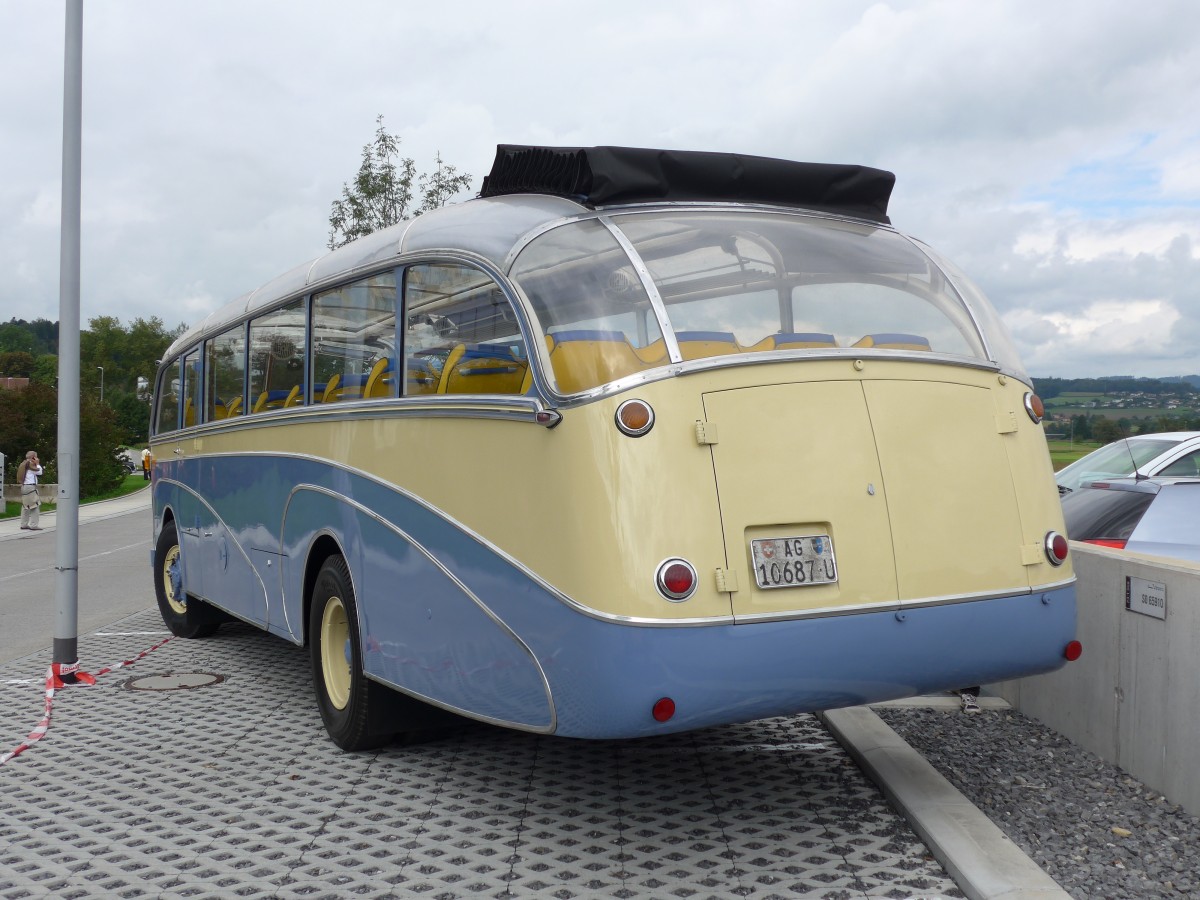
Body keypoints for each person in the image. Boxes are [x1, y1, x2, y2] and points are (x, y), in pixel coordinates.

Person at [16, 450, 44, 531]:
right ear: (33, 457)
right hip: (30, 487)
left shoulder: (23, 464)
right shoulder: (31, 465)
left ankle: (24, 524)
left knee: (26, 506)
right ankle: (34, 525)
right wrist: (38, 463)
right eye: (36, 457)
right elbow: (40, 472)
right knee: (35, 505)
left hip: (24, 487)